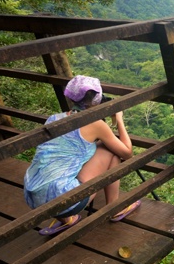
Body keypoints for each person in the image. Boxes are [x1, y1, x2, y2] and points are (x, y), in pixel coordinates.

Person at [24, 75, 140, 235]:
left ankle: (67, 220)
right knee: (111, 151)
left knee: (59, 168)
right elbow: (127, 153)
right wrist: (119, 119)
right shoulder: (95, 124)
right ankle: (114, 208)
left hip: (34, 197)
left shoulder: (53, 119)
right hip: (66, 202)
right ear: (96, 99)